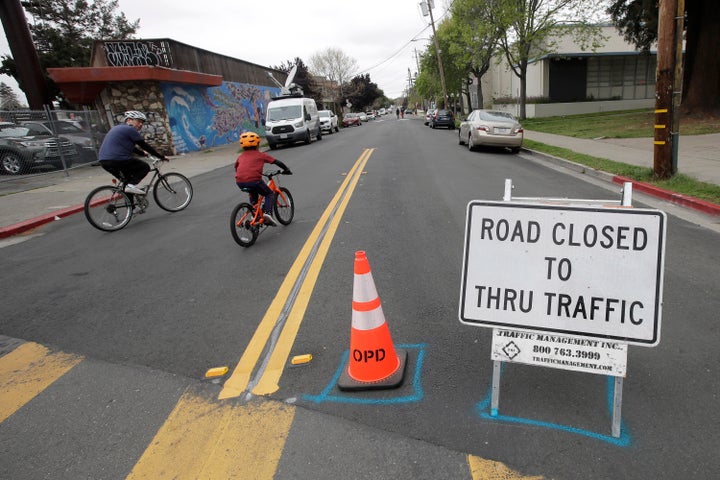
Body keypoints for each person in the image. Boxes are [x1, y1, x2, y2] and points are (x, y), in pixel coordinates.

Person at [98, 111, 168, 195]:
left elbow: (130, 147)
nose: (141, 124)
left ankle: (131, 206)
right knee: (144, 167)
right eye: (138, 121)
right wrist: (161, 157)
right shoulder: (130, 129)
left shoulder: (117, 128)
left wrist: (142, 153)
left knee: (127, 183)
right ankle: (130, 186)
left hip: (104, 161)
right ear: (128, 120)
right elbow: (144, 145)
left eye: (142, 122)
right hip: (118, 159)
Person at [234, 131, 291, 227]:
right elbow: (276, 162)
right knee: (269, 193)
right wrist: (286, 169)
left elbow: (236, 168)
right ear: (257, 144)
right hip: (254, 181)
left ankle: (254, 214)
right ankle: (267, 214)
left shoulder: (240, 157)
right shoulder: (261, 155)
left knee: (254, 196)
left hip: (240, 182)